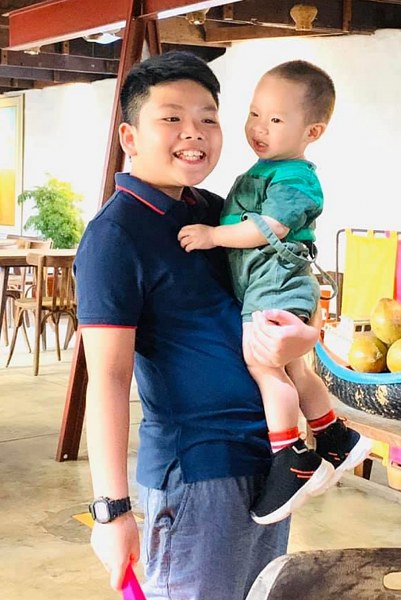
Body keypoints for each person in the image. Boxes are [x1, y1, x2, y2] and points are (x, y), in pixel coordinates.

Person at [74, 51, 324, 600]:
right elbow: (108, 378)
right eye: (171, 118)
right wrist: (111, 511)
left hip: (272, 460)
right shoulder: (115, 236)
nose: (194, 132)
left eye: (208, 118)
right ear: (130, 137)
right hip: (198, 473)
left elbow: (290, 285)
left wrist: (307, 335)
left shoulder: (219, 213)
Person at [178, 60, 372, 526]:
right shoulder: (266, 170)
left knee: (263, 364)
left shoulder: (294, 178)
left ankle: (291, 458)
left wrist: (212, 236)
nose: (259, 128)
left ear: (313, 131)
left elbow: (271, 227)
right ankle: (335, 438)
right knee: (292, 367)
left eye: (276, 119)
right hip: (267, 284)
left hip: (275, 281)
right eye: (254, 114)